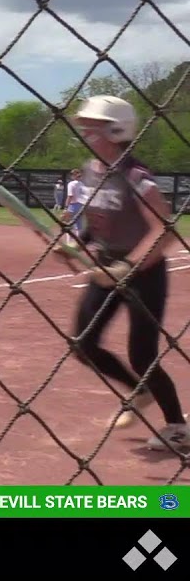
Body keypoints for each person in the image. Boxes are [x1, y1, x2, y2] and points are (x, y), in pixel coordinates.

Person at [54, 95, 186, 452]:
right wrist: (76, 246)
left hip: (144, 273)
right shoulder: (91, 170)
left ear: (116, 130)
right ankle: (139, 391)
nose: (83, 132)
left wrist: (127, 267)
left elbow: (166, 229)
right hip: (106, 269)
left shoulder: (136, 177)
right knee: (83, 343)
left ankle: (177, 425)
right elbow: (97, 222)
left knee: (142, 354)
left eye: (91, 128)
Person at [62, 168, 89, 244]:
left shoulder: (71, 184)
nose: (71, 175)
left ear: (74, 175)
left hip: (72, 206)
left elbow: (70, 196)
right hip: (81, 205)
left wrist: (66, 207)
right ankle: (78, 242)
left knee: (68, 224)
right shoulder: (82, 184)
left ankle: (68, 242)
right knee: (79, 225)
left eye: (72, 174)